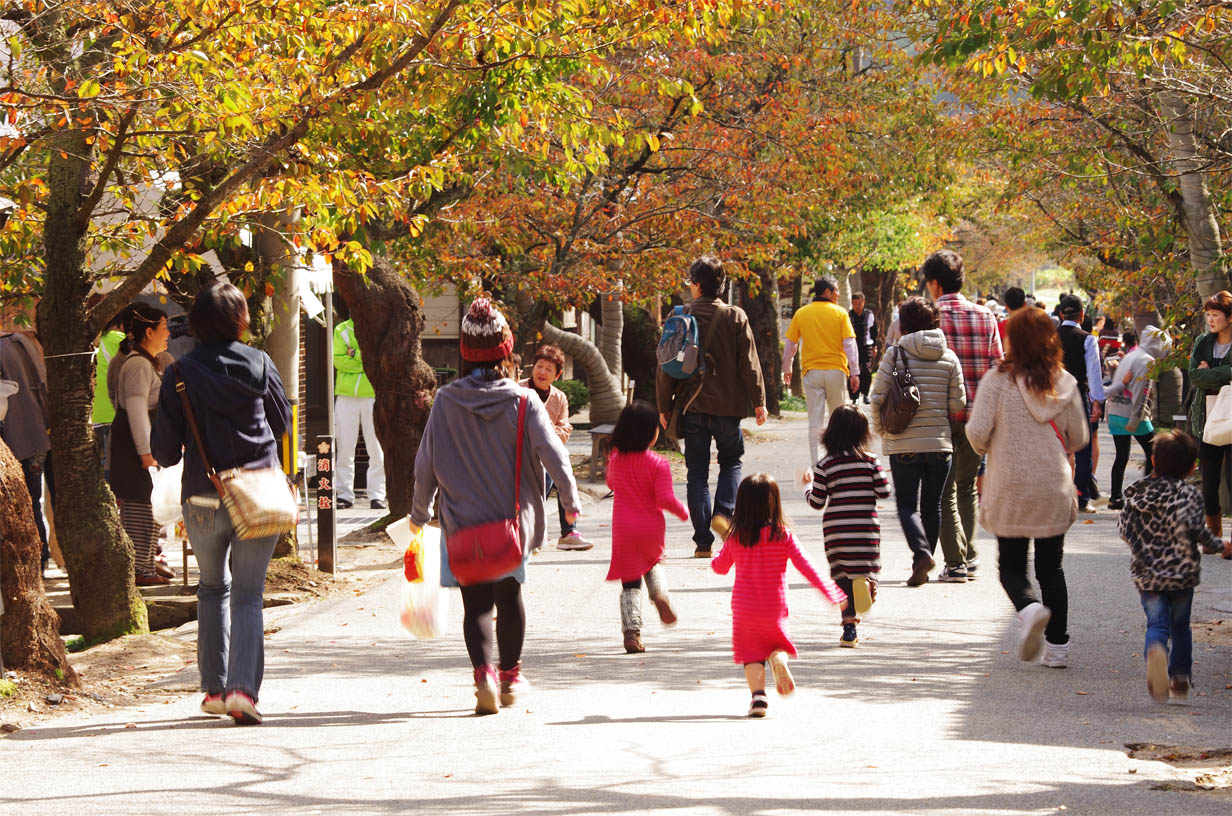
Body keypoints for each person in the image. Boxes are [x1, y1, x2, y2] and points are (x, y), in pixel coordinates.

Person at [410, 299, 580, 715]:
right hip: (511, 526)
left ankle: (482, 673)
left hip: (461, 525)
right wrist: (571, 505)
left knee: (475, 606)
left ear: (464, 353)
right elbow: (555, 456)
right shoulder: (524, 403)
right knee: (510, 596)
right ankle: (510, 678)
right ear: (506, 352)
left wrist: (419, 515)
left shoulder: (446, 401)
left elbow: (424, 464)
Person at [152, 283, 291, 724]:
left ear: (194, 321)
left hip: (201, 495)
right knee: (248, 594)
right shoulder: (261, 363)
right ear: (240, 319)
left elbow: (165, 452)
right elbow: (282, 423)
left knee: (211, 589)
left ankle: (213, 689)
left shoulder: (180, 373)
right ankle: (242, 692)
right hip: (257, 491)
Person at [967, 306, 1088, 669]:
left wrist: (991, 445)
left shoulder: (997, 380)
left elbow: (976, 433)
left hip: (1010, 486)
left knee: (1012, 566)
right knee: (1052, 569)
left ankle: (1029, 607)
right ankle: (1058, 649)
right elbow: (1079, 436)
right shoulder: (1063, 382)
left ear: (1013, 339)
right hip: (1052, 484)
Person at [656, 256, 767, 558]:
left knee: (696, 474)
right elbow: (750, 363)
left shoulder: (679, 315)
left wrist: (664, 407)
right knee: (731, 461)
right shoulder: (735, 316)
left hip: (692, 407)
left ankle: (703, 541)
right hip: (728, 407)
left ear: (696, 284)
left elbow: (665, 366)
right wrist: (759, 402)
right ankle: (724, 515)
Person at [711, 473, 846, 717]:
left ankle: (758, 699)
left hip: (744, 610)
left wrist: (722, 549)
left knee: (751, 656)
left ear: (741, 504)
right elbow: (808, 567)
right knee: (777, 645)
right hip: (774, 606)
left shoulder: (736, 537)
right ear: (774, 503)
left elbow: (719, 568)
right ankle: (778, 659)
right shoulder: (783, 535)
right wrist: (833, 593)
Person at [868, 296, 966, 587]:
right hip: (939, 444)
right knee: (932, 506)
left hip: (904, 443)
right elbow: (957, 402)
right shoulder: (949, 357)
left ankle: (921, 554)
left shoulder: (896, 355)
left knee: (907, 506)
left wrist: (881, 431)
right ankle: (923, 562)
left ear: (906, 323)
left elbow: (877, 398)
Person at [1117, 430, 1218, 702]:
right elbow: (1199, 532)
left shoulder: (1137, 496)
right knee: (1181, 626)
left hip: (1148, 573)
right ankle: (1180, 678)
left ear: (1153, 459)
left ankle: (1156, 652)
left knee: (1157, 624)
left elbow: (1124, 530)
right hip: (1182, 575)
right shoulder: (1190, 495)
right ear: (1192, 467)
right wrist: (1220, 545)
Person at [923, 249, 1003, 583]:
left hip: (938, 417)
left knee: (943, 492)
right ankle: (970, 557)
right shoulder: (985, 317)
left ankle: (954, 562)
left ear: (936, 284)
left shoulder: (929, 316)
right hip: (976, 417)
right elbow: (999, 368)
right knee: (967, 486)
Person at [804, 405, 891, 646]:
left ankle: (849, 629)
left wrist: (806, 487)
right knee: (866, 568)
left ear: (831, 433)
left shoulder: (824, 465)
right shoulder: (871, 461)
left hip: (837, 532)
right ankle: (867, 585)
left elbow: (817, 502)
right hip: (865, 529)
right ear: (863, 433)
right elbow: (884, 492)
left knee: (842, 580)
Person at [605, 401, 688, 654]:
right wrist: (682, 511)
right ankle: (659, 594)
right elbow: (664, 498)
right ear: (651, 435)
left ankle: (632, 633)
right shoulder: (658, 463)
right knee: (653, 563)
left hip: (623, 530)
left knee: (630, 584)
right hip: (650, 529)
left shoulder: (616, 459)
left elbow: (611, 483)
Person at [108, 303, 172, 586]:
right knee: (139, 507)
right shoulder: (137, 364)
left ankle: (146, 564)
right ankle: (138, 569)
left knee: (151, 507)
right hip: (134, 447)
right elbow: (135, 410)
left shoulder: (146, 362)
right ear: (149, 331)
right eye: (164, 327)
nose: (168, 333)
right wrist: (145, 453)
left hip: (143, 444)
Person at [519, 344, 593, 552]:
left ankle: (569, 532)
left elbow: (565, 429)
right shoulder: (518, 389)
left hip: (546, 455)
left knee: (560, 472)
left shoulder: (559, 398)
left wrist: (546, 432)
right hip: (521, 455)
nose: (542, 372)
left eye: (548, 369)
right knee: (543, 477)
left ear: (557, 375)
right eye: (539, 366)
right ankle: (529, 531)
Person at [781, 276, 858, 468]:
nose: (838, 294)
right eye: (836, 291)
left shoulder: (801, 313)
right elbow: (849, 344)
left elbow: (791, 344)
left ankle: (818, 466)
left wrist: (787, 367)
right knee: (838, 417)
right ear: (827, 292)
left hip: (812, 372)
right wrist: (855, 371)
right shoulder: (840, 313)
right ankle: (839, 460)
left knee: (814, 421)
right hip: (836, 371)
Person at [0, 329, 53, 574]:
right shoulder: (19, 341)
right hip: (35, 436)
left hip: (13, 442)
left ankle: (33, 562)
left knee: (23, 505)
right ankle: (39, 560)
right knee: (31, 502)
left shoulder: (13, 342)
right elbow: (41, 384)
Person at [1105, 327, 1170, 510]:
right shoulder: (1147, 361)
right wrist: (1135, 419)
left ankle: (1115, 498)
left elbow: (1117, 383)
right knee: (1154, 453)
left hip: (1115, 411)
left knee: (1121, 456)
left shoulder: (1131, 356)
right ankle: (1146, 495)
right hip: (1133, 415)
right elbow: (1142, 392)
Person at [1187, 290, 1232, 558]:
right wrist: (1222, 375)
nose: (1211, 320)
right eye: (1209, 315)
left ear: (1229, 317)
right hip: (1208, 417)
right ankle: (1213, 536)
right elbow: (1194, 375)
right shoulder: (1203, 342)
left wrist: (1211, 373)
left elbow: (1209, 374)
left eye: (1216, 315)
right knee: (1210, 480)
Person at [1056, 293, 1105, 512]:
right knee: (1082, 448)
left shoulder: (1049, 337)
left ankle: (1056, 496)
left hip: (1052, 398)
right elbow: (1094, 374)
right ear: (1082, 315)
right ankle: (1081, 498)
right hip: (1077, 397)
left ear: (1060, 314)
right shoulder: (1088, 338)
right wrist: (1097, 402)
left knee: (1055, 447)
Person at [333, 312, 385, 510]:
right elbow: (338, 360)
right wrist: (363, 362)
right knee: (345, 448)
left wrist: (353, 354)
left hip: (372, 395)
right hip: (346, 396)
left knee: (376, 449)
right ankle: (344, 495)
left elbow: (376, 361)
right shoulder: (341, 330)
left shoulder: (376, 330)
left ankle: (377, 495)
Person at [92, 312, 125, 466]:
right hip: (115, 413)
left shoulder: (96, 342)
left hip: (97, 414)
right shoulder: (119, 339)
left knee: (103, 464)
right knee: (116, 466)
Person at [848, 292, 876, 404]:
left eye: (859, 303)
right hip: (852, 347)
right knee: (853, 372)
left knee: (866, 371)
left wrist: (875, 346)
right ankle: (854, 397)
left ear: (863, 302)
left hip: (866, 347)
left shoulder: (869, 314)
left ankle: (865, 394)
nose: (857, 306)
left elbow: (874, 331)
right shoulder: (848, 315)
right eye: (854, 304)